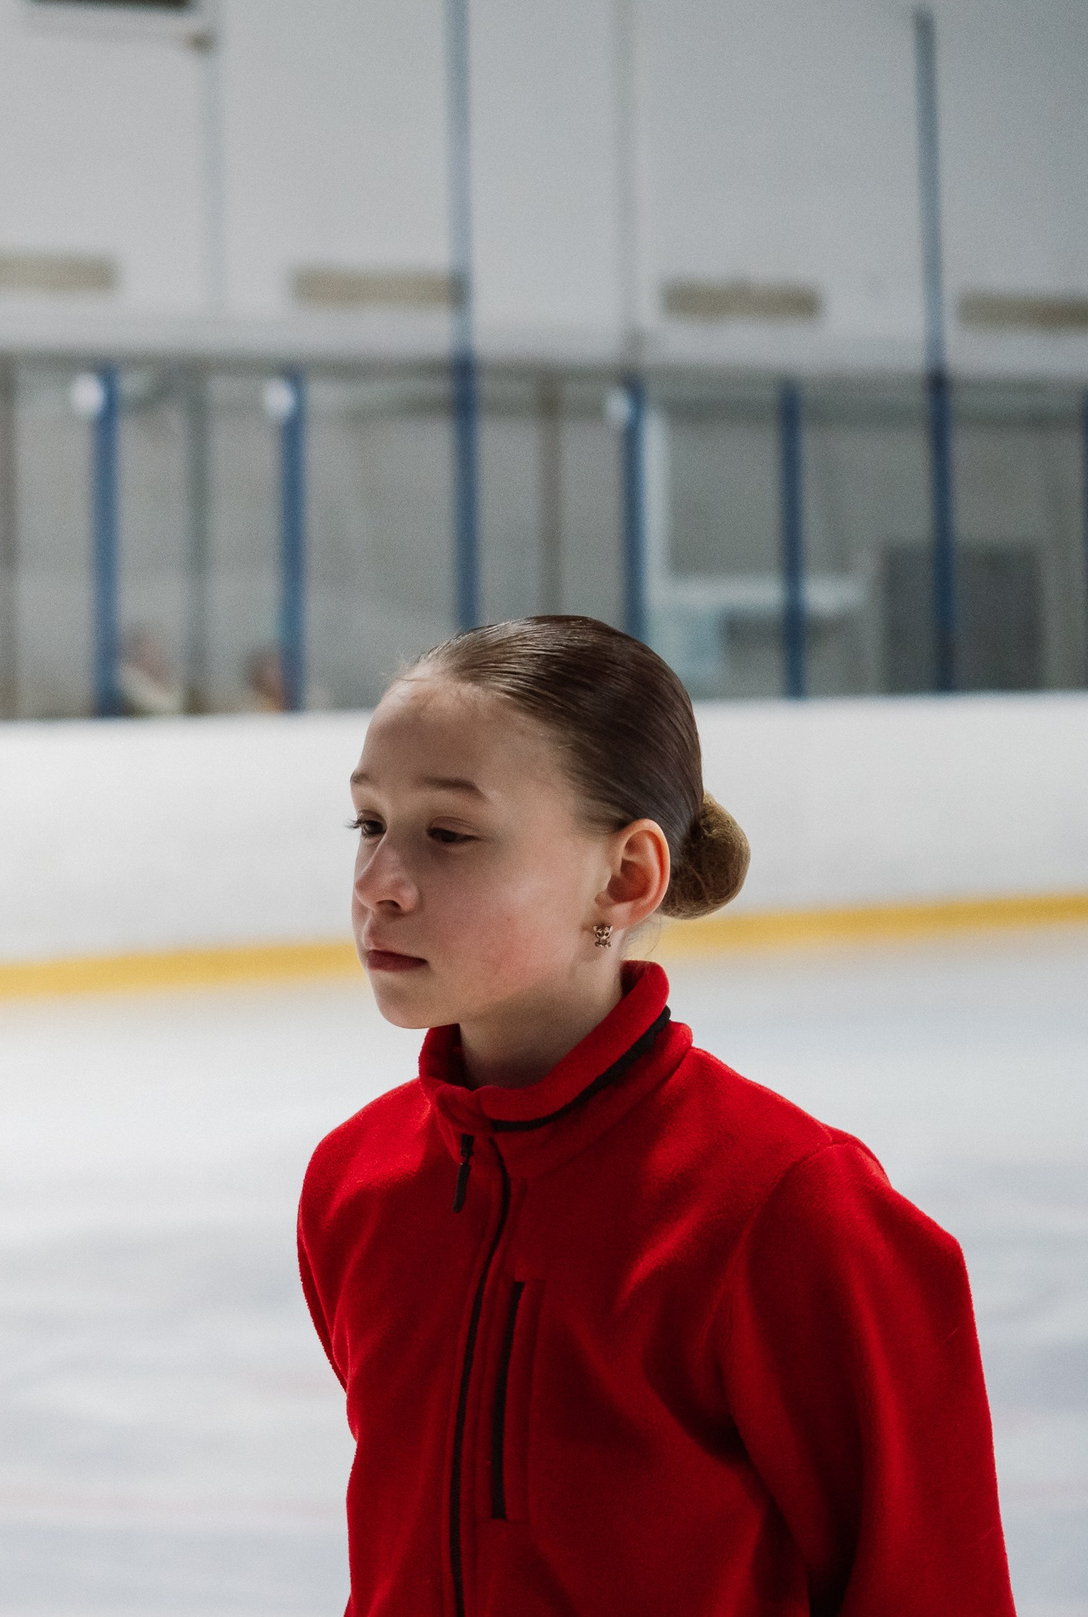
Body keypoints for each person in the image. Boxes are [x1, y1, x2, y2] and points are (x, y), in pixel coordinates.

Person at [298, 615, 1013, 1615]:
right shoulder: (355, 1183)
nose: (379, 884)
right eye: (369, 823)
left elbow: (930, 1588)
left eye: (447, 833)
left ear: (625, 877)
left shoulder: (787, 1209)